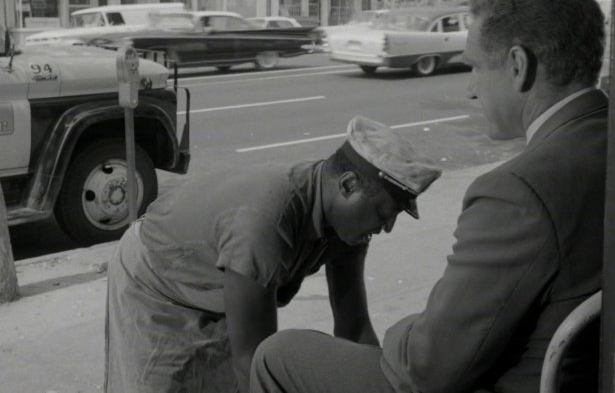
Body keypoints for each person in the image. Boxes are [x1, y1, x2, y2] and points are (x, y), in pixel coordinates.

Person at [250, 0, 608, 393]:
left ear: (518, 66)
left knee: (278, 354)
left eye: (474, 67)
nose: (471, 91)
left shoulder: (518, 190)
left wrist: (407, 329)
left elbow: (430, 367)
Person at [104, 115, 442, 393]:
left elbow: (353, 326)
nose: (386, 229)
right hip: (155, 281)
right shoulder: (264, 224)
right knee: (167, 384)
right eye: (384, 213)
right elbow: (254, 359)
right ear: (348, 185)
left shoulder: (349, 228)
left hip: (222, 277)